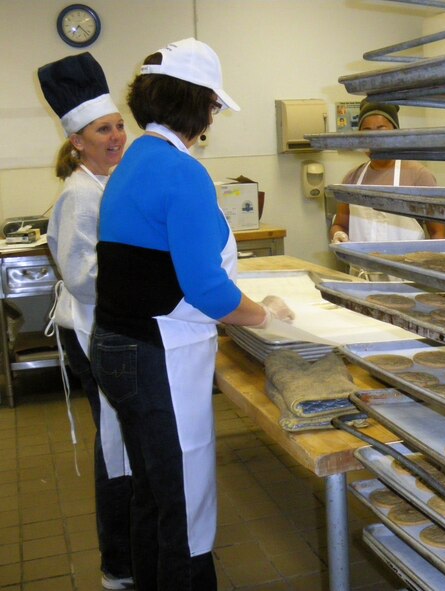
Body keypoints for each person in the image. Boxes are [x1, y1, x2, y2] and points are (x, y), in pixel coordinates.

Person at [89, 38, 294, 591]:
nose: (214, 115)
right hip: (159, 354)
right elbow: (206, 288)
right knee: (183, 498)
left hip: (118, 345)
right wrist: (267, 316)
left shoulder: (137, 159)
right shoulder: (181, 172)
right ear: (197, 103)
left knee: (153, 490)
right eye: (214, 104)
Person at [37, 53, 133, 591]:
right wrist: (148, 275)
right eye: (103, 129)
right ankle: (119, 565)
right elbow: (83, 277)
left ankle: (126, 555)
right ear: (78, 141)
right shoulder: (78, 194)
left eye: (119, 124)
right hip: (93, 332)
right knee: (116, 447)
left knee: (122, 444)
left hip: (109, 328)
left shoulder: (108, 183)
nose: (116, 135)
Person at [329, 99, 445, 278]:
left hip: (407, 279)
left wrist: (430, 271)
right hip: (361, 279)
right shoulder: (352, 178)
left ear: (396, 133)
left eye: (381, 130)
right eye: (366, 131)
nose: (374, 138)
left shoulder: (418, 175)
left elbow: (439, 233)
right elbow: (340, 224)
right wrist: (338, 234)